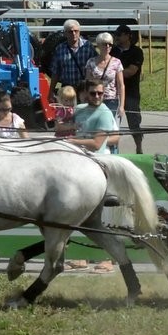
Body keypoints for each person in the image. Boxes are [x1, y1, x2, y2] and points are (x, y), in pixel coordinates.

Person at [66, 79, 116, 272]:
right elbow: (68, 127)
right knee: (77, 212)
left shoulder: (104, 113)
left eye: (100, 94)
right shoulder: (79, 109)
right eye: (93, 93)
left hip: (99, 165)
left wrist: (72, 141)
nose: (97, 97)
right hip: (80, 164)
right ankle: (81, 257)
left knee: (102, 216)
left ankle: (108, 259)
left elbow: (96, 144)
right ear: (86, 93)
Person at [85, 32, 125, 153]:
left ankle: (114, 154)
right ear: (99, 45)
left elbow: (121, 85)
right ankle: (96, 150)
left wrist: (122, 105)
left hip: (112, 100)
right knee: (97, 128)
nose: (108, 47)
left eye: (110, 44)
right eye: (105, 44)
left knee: (112, 130)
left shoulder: (116, 62)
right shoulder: (91, 62)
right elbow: (87, 84)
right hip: (95, 100)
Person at [111, 24, 145, 154]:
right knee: (113, 124)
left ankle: (139, 147)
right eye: (116, 35)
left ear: (128, 35)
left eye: (119, 35)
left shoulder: (136, 52)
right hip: (114, 92)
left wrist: (112, 73)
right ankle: (114, 149)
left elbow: (131, 71)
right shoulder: (113, 51)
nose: (117, 38)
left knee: (134, 122)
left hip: (131, 92)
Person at [47, 19, 98, 98]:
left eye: (76, 31)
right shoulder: (60, 49)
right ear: (65, 33)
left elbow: (96, 69)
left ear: (79, 32)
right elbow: (55, 72)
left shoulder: (88, 47)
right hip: (67, 89)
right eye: (70, 32)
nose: (74, 34)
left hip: (83, 89)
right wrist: (51, 91)